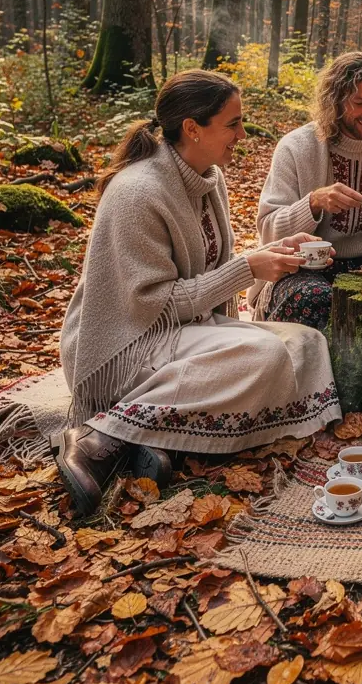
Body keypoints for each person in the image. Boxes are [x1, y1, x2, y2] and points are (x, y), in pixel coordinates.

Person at [56, 70, 342, 518]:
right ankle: (101, 438)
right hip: (127, 343)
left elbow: (210, 271)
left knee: (307, 345)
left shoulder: (207, 178)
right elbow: (152, 304)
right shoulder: (137, 192)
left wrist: (269, 254)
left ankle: (146, 442)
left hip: (186, 329)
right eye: (232, 123)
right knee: (264, 357)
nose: (242, 134)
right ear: (192, 128)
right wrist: (248, 268)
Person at [250, 52, 362, 328]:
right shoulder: (296, 148)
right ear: (336, 102)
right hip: (301, 270)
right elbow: (269, 228)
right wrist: (313, 203)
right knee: (315, 298)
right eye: (359, 103)